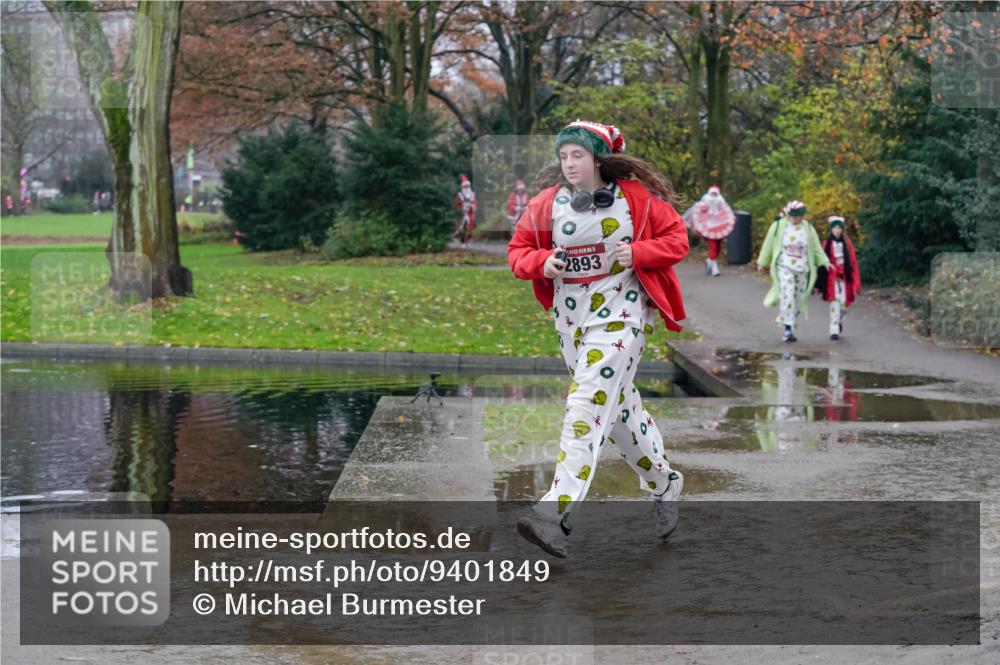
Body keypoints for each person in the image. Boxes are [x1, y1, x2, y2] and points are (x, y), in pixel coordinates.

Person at [507, 119, 688, 557]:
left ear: (597, 158)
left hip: (623, 316)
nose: (569, 163)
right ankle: (665, 482)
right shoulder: (547, 204)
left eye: (578, 155)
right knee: (619, 413)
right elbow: (516, 252)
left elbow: (678, 238)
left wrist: (640, 252)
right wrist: (541, 262)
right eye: (563, 155)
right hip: (572, 323)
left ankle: (554, 513)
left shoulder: (636, 201)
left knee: (585, 403)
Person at [755, 201, 829, 342]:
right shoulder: (778, 226)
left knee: (798, 299)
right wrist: (762, 262)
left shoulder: (808, 228)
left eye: (799, 216)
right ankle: (788, 328)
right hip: (784, 267)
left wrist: (825, 261)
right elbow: (768, 244)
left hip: (802, 269)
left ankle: (790, 321)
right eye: (794, 216)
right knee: (787, 295)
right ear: (789, 214)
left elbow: (816, 247)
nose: (796, 219)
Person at [815, 216, 861, 340]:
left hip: (845, 279)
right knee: (835, 304)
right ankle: (833, 329)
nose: (837, 230)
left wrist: (856, 283)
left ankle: (839, 320)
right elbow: (821, 263)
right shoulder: (826, 244)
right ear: (831, 229)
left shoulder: (847, 243)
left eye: (839, 228)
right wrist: (820, 283)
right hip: (832, 279)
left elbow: (853, 262)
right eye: (835, 228)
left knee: (844, 306)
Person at [683, 185, 735, 276]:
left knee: (718, 247)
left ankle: (710, 260)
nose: (714, 196)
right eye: (713, 193)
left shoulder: (721, 203)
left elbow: (728, 215)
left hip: (719, 229)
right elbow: (697, 213)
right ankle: (715, 267)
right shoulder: (704, 202)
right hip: (707, 229)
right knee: (713, 246)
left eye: (716, 193)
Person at [453, 175, 477, 244]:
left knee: (471, 222)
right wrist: (461, 209)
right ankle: (459, 237)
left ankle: (468, 237)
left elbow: (475, 202)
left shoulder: (472, 194)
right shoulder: (459, 195)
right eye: (465, 187)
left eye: (468, 186)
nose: (467, 188)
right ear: (463, 187)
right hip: (462, 213)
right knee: (461, 224)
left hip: (470, 212)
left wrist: (472, 206)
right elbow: (456, 204)